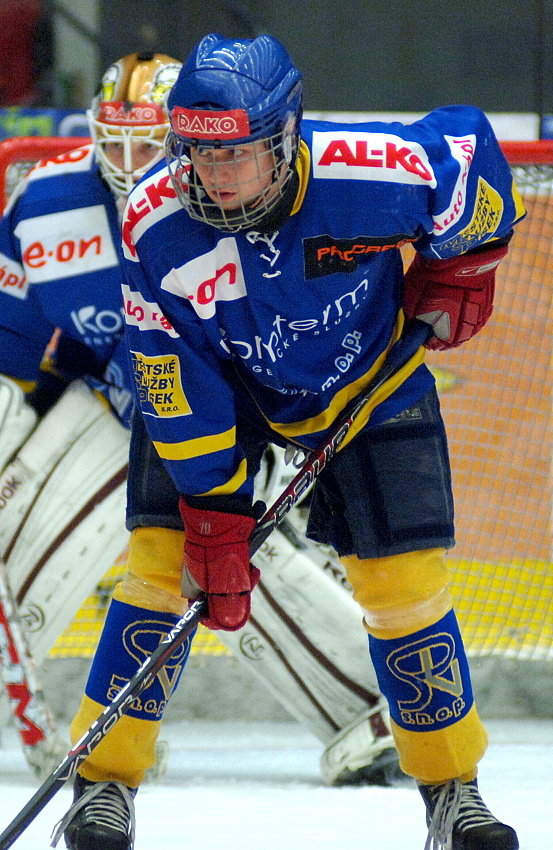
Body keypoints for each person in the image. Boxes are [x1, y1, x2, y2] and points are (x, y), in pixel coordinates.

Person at [54, 33, 525, 850]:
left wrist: (467, 262)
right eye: (199, 154)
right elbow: (170, 375)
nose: (215, 176)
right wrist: (212, 507)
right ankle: (101, 787)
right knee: (160, 569)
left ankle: (453, 793)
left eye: (236, 154)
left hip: (368, 379)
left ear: (284, 137)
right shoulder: (155, 221)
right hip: (225, 392)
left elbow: (467, 150)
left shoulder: (368, 171)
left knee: (404, 586)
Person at [0, 54, 399, 787]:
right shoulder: (44, 202)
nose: (128, 166)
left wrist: (280, 435)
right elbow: (10, 346)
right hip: (116, 413)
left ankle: (372, 712)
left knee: (229, 558)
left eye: (146, 146)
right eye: (113, 144)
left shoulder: (238, 197)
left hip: (236, 418)